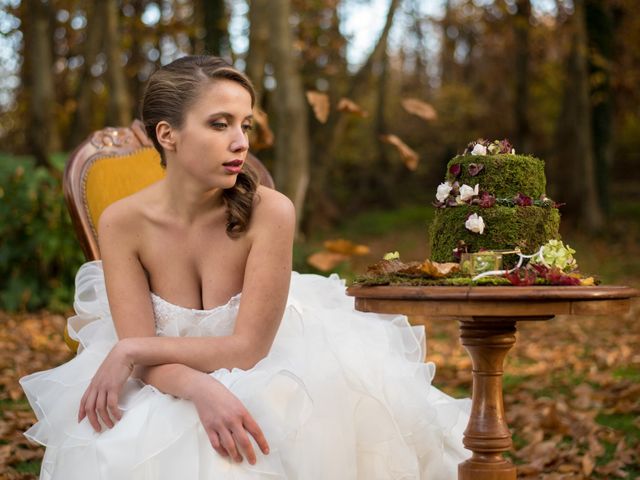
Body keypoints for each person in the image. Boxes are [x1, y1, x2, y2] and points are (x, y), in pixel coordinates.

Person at [20, 55, 470, 480]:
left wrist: (132, 350)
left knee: (260, 441)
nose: (241, 142)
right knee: (132, 440)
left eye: (245, 124)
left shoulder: (270, 212)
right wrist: (196, 387)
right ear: (167, 134)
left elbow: (249, 347)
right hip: (161, 378)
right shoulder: (122, 222)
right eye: (220, 124)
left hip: (276, 364)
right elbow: (140, 351)